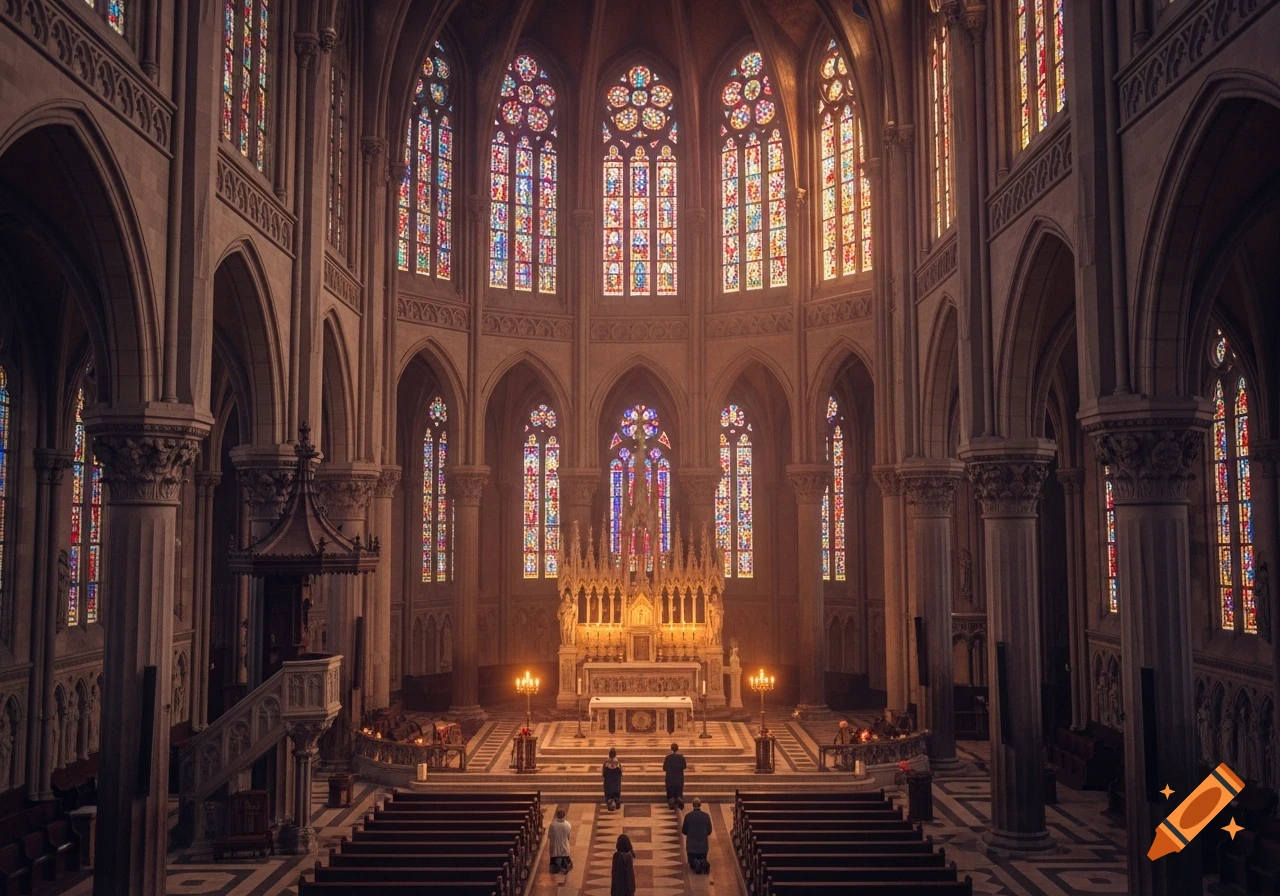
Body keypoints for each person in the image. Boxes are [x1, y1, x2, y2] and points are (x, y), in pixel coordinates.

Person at [681, 797, 713, 874]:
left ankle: (696, 863)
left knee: (691, 863)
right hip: (703, 844)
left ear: (692, 805)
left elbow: (684, 830)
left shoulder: (688, 816)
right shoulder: (706, 816)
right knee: (702, 856)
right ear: (700, 805)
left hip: (692, 845)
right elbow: (709, 830)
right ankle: (703, 862)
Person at [663, 742, 687, 809]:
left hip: (670, 777)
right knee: (679, 790)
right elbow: (684, 766)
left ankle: (671, 802)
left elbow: (664, 768)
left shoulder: (668, 758)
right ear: (678, 749)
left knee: (670, 790)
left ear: (671, 749)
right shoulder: (681, 757)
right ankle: (679, 800)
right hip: (679, 777)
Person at [548, 808, 572, 874]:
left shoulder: (552, 825)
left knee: (553, 868)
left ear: (556, 815)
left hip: (554, 851)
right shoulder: (567, 825)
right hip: (565, 850)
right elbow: (568, 837)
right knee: (567, 865)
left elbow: (549, 837)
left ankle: (556, 867)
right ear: (564, 815)